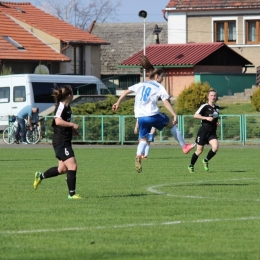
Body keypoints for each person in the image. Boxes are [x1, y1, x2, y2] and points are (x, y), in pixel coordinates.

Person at [112, 55, 195, 173]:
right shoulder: (159, 86)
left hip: (140, 117)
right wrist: (174, 114)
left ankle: (138, 155)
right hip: (152, 114)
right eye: (161, 78)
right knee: (171, 125)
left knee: (143, 139)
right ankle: (184, 146)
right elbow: (165, 102)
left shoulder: (141, 84)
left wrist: (117, 102)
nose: (162, 80)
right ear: (156, 76)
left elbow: (126, 91)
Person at [33, 85, 82, 199]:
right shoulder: (61, 106)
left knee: (62, 169)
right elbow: (58, 121)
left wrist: (72, 130)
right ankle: (72, 194)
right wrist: (72, 125)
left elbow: (63, 122)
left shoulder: (67, 106)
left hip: (64, 141)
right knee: (73, 166)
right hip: (61, 142)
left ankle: (40, 176)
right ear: (69, 95)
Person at [188, 88, 220, 173]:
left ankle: (205, 160)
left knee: (215, 147)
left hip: (212, 132)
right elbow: (195, 115)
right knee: (199, 151)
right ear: (208, 97)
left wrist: (217, 122)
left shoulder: (217, 107)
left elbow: (214, 118)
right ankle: (191, 166)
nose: (213, 97)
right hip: (204, 131)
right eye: (211, 95)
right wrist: (206, 118)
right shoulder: (204, 106)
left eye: (214, 96)